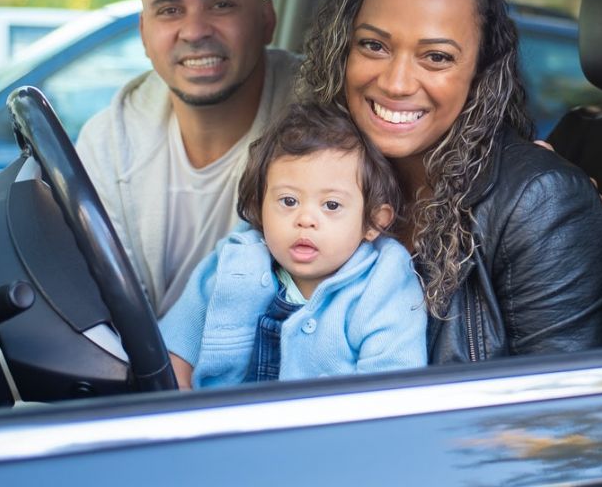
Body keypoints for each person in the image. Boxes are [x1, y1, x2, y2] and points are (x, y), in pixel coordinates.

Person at [298, 0, 602, 362]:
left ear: (482, 71)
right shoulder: (314, 171)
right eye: (374, 45)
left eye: (436, 57)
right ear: (343, 52)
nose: (395, 83)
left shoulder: (541, 203)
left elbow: (557, 413)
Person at [76, 0, 301, 316]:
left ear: (266, 20)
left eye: (221, 4)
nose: (195, 30)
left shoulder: (326, 118)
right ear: (145, 33)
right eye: (169, 10)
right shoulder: (109, 141)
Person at [158, 101, 427, 389]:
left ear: (373, 222)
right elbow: (174, 352)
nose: (305, 219)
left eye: (331, 205)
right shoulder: (235, 259)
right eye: (289, 201)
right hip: (226, 426)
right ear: (259, 206)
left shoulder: (385, 284)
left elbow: (390, 393)